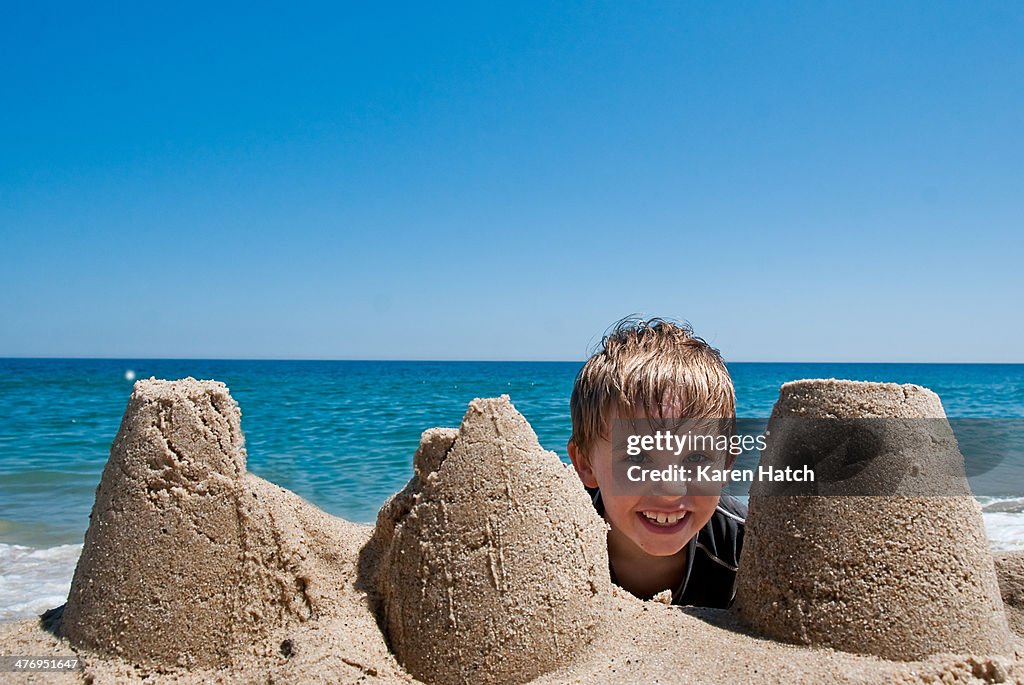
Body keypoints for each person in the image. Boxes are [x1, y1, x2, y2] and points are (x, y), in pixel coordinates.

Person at [566, 317, 746, 608]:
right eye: (638, 456)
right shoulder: (558, 537)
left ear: (725, 463)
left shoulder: (744, 546)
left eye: (697, 457)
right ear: (585, 464)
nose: (671, 489)